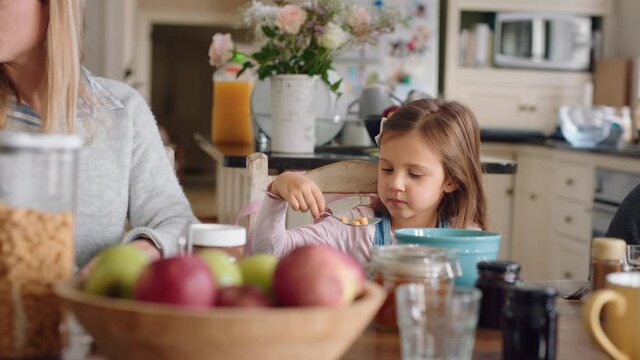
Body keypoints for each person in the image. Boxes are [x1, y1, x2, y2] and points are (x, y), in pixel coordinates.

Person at [0, 0, 198, 271]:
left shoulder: (122, 110)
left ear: (52, 6)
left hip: (93, 310)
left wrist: (141, 252)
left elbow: (177, 222)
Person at [251, 98, 488, 264]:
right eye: (386, 168)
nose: (395, 183)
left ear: (452, 181)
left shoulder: (465, 237)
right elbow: (270, 254)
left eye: (414, 174)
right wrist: (277, 191)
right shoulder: (357, 230)